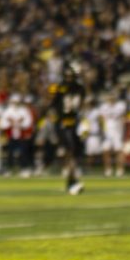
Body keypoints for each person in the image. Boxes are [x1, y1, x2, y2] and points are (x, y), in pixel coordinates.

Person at [47, 61, 87, 195]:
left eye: (71, 76)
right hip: (63, 123)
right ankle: (73, 180)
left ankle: (71, 180)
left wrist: (83, 121)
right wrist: (55, 122)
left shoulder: (80, 89)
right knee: (69, 151)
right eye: (67, 76)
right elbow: (52, 105)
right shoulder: (60, 88)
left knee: (75, 153)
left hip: (75, 123)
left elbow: (81, 106)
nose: (69, 79)